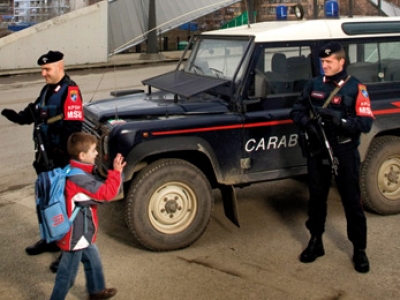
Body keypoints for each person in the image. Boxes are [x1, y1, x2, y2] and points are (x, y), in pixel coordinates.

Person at [290, 42, 374, 273]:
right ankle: (316, 241)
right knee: (317, 199)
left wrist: (341, 122)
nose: (324, 65)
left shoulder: (356, 88)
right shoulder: (313, 85)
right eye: (322, 62)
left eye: (328, 62)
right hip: (318, 151)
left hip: (344, 151)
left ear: (341, 62)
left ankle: (359, 250)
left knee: (351, 201)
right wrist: (308, 124)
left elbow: (365, 123)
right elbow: (296, 111)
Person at [1, 50, 84, 271]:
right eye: (42, 69)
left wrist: (62, 154)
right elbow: (36, 110)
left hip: (60, 159)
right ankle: (50, 239)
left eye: (47, 69)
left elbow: (74, 127)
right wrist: (18, 117)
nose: (43, 73)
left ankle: (66, 250)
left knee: (63, 206)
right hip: (45, 158)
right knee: (46, 202)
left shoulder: (71, 91)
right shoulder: (47, 90)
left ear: (59, 67)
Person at [50, 132, 125, 300]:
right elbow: (106, 194)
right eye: (93, 151)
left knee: (93, 260)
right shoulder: (79, 179)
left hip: (81, 231)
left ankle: (97, 291)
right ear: (82, 155)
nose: (97, 153)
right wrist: (117, 173)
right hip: (74, 235)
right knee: (66, 277)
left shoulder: (72, 169)